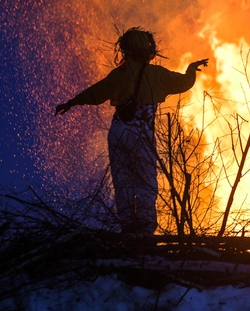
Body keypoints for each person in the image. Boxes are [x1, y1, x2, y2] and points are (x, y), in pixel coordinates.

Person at [55, 27, 208, 235]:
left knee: (123, 183)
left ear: (126, 49)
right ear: (147, 50)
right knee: (145, 182)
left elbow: (95, 93)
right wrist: (191, 70)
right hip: (141, 131)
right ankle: (144, 234)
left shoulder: (119, 74)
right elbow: (183, 83)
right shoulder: (156, 74)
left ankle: (127, 230)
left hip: (117, 131)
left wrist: (71, 103)